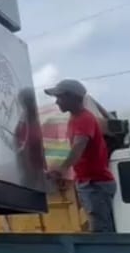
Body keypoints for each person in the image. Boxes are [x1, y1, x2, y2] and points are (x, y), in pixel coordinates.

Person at [45, 79, 117, 233]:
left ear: (72, 97)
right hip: (89, 182)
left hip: (95, 183)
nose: (57, 102)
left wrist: (60, 170)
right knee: (97, 226)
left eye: (60, 97)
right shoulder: (75, 118)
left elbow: (78, 147)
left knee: (101, 230)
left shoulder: (84, 119)